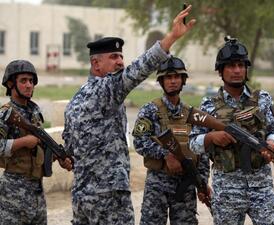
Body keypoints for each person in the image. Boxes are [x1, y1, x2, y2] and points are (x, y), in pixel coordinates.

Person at [62, 5, 196, 225]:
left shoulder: (76, 99)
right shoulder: (106, 90)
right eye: (114, 57)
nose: (120, 62)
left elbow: (69, 150)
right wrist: (171, 37)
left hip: (81, 197)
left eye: (122, 57)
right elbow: (138, 70)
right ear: (96, 63)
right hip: (110, 197)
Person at [189, 36, 274, 225]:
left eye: (241, 65)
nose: (237, 70)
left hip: (261, 187)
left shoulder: (263, 99)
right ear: (220, 71)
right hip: (227, 190)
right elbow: (193, 143)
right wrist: (211, 137)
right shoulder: (208, 106)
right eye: (231, 66)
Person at [132, 56, 210, 225]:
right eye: (168, 77)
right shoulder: (151, 110)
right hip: (157, 185)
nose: (173, 81)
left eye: (177, 77)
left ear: (183, 81)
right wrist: (166, 155)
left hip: (186, 185)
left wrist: (202, 183)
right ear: (161, 81)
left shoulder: (192, 114)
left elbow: (201, 151)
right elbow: (139, 141)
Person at [0, 59, 72, 225]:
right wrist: (23, 141)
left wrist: (57, 157)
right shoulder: (6, 114)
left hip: (37, 193)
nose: (29, 85)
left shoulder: (35, 112)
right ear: (11, 84)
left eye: (31, 81)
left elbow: (38, 148)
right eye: (23, 81)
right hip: (13, 193)